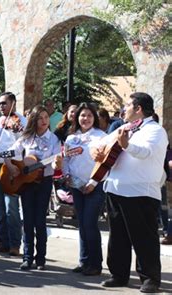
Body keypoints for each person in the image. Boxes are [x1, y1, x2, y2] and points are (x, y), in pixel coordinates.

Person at [90, 92, 168, 293]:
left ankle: (150, 279)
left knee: (144, 238)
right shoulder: (125, 127)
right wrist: (96, 151)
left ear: (139, 109)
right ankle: (118, 275)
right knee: (118, 237)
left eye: (128, 105)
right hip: (116, 189)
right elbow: (99, 143)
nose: (124, 109)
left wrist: (127, 145)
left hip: (141, 192)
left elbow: (146, 152)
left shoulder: (155, 131)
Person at [8, 105, 62, 270]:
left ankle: (41, 259)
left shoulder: (54, 139)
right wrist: (11, 167)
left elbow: (55, 162)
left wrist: (56, 162)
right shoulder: (26, 138)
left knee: (40, 221)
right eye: (40, 118)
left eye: (46, 117)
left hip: (44, 182)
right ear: (34, 120)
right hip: (26, 183)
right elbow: (10, 152)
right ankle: (27, 257)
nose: (44, 121)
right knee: (28, 220)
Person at [63, 103, 106, 276]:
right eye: (82, 115)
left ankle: (95, 264)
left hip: (94, 186)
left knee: (90, 224)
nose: (85, 119)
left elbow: (105, 164)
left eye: (89, 115)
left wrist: (93, 183)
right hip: (76, 185)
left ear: (94, 117)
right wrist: (66, 175)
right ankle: (84, 260)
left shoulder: (101, 137)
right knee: (81, 224)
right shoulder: (71, 138)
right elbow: (66, 160)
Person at [0, 92, 26, 256]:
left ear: (13, 104)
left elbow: (22, 143)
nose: (1, 106)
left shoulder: (22, 122)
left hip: (12, 167)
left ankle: (15, 244)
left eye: (4, 103)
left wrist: (9, 162)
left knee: (12, 207)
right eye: (0, 103)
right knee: (0, 207)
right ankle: (3, 241)